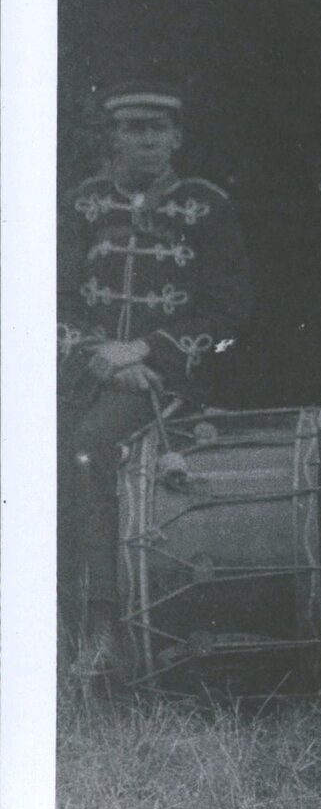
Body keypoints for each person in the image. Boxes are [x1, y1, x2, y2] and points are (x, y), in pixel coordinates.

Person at [59, 81, 253, 662]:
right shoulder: (82, 203)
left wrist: (145, 349)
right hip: (82, 367)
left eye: (156, 131)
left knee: (88, 449)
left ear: (176, 138)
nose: (144, 141)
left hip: (172, 377)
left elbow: (229, 309)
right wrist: (95, 350)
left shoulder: (208, 204)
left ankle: (102, 621)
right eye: (131, 130)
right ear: (113, 138)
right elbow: (49, 292)